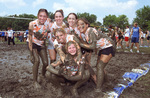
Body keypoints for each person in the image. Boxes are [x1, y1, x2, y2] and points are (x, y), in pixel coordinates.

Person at [76, 18, 115, 93]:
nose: (80, 26)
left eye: (82, 24)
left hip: (108, 46)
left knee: (100, 67)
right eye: (78, 25)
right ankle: (107, 82)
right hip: (103, 48)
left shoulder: (90, 31)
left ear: (87, 25)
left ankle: (98, 89)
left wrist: (80, 44)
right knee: (100, 67)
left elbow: (93, 47)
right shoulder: (85, 33)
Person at [28, 8, 50, 89]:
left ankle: (43, 76)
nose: (42, 18)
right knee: (36, 61)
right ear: (37, 16)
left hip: (41, 45)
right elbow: (29, 38)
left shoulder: (47, 23)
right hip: (33, 44)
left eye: (44, 16)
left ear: (47, 17)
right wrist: (31, 54)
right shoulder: (32, 24)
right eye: (40, 16)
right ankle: (35, 81)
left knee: (45, 63)